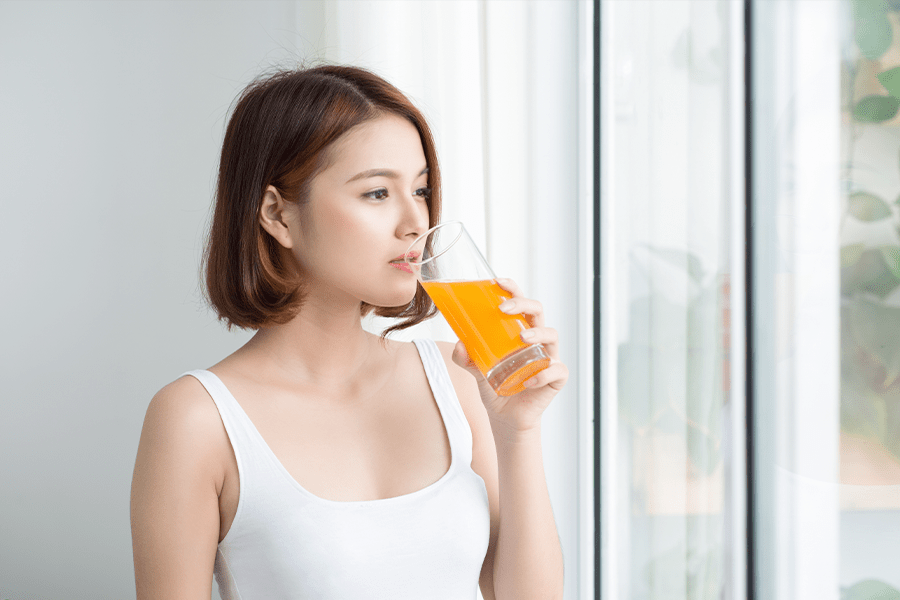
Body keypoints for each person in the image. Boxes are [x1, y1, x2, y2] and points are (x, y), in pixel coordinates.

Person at [130, 64, 567, 600]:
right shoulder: (197, 419)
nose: (415, 222)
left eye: (422, 189)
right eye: (378, 193)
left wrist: (518, 433)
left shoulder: (458, 379)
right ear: (278, 215)